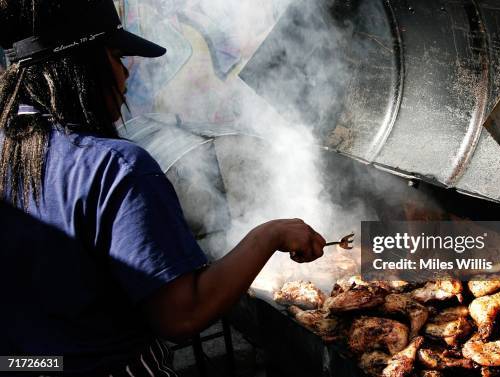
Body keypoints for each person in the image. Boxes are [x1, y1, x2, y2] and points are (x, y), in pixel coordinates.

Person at [0, 0, 326, 375]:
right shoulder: (117, 167)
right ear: (81, 64)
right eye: (118, 57)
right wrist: (269, 234)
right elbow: (181, 315)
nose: (126, 77)